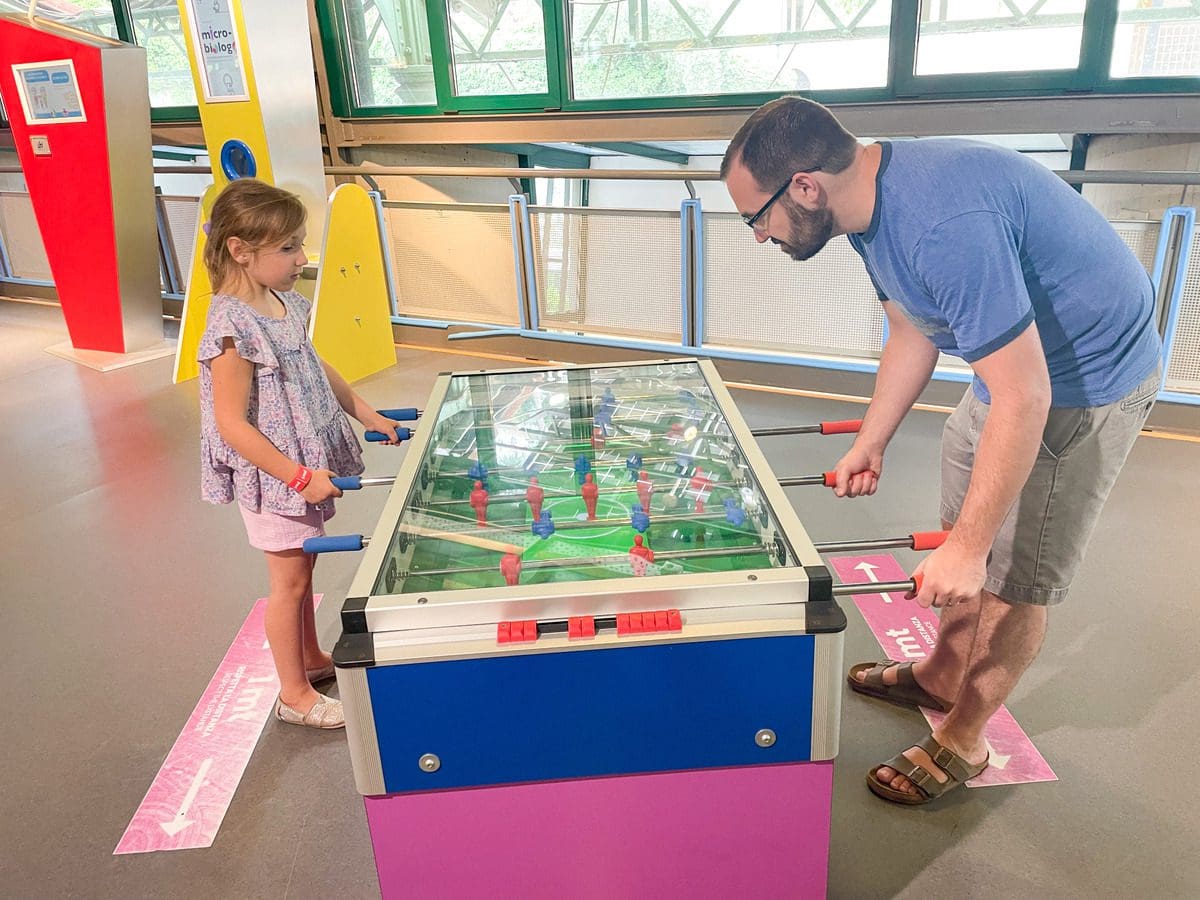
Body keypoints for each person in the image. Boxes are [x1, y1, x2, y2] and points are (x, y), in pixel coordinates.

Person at [722, 97, 1161, 805]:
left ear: (805, 185)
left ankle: (965, 735)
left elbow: (1027, 400)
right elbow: (910, 329)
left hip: (1086, 381)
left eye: (756, 216)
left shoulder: (940, 224)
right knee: (967, 516)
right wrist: (873, 439)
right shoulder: (867, 208)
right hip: (1017, 371)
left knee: (1015, 572)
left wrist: (970, 544)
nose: (758, 235)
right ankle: (943, 673)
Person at [198, 178, 403, 730]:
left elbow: (317, 367)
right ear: (241, 250)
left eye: (300, 244)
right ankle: (293, 694)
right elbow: (230, 423)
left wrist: (367, 414)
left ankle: (311, 660)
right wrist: (297, 476)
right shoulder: (230, 329)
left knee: (304, 569)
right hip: (276, 476)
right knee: (287, 585)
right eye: (288, 247)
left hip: (302, 465)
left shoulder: (283, 300)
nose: (302, 258)